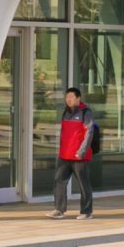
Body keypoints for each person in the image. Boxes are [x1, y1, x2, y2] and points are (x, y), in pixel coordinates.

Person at [52, 86, 99, 219]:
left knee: (83, 184)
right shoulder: (65, 112)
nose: (69, 100)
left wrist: (82, 151)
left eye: (71, 97)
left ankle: (86, 212)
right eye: (67, 97)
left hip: (79, 155)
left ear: (78, 98)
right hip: (64, 155)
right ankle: (59, 210)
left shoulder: (85, 113)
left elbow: (89, 132)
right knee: (59, 181)